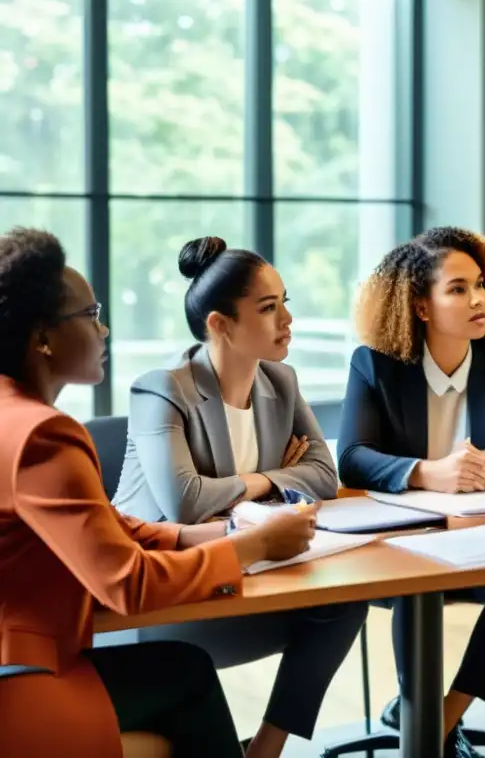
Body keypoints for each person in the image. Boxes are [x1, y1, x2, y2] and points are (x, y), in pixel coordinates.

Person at [0, 227, 320, 757]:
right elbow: (126, 583)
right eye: (90, 314)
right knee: (186, 677)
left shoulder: (15, 416)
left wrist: (224, 529)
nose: (103, 330)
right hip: (25, 675)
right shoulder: (42, 435)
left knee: (182, 670)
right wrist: (254, 546)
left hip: (27, 654)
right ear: (42, 338)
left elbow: (109, 526)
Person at [112, 236, 368, 758]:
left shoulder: (282, 380)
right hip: (167, 589)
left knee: (345, 601)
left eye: (285, 302)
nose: (288, 320)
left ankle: (266, 749)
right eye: (269, 308)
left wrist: (257, 484)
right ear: (220, 324)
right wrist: (273, 476)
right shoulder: (162, 389)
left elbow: (323, 473)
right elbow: (185, 502)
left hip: (254, 570)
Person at [337, 226, 485, 758]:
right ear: (422, 306)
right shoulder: (376, 366)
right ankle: (419, 712)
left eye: (480, 284)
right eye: (457, 289)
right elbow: (353, 457)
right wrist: (429, 473)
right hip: (397, 551)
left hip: (482, 542)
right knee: (418, 582)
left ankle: (439, 718)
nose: (478, 299)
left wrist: (484, 473)